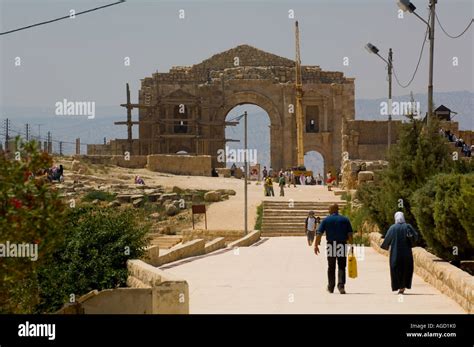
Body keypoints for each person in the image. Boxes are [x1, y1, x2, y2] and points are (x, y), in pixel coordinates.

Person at [314, 203, 353, 294]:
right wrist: (351, 246)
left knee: (331, 266)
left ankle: (331, 287)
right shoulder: (345, 220)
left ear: (331, 210)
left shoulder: (326, 220)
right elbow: (350, 234)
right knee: (342, 266)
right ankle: (341, 286)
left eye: (329, 209)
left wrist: (316, 245)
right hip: (342, 244)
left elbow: (319, 233)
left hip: (331, 245)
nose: (328, 210)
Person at [380, 211, 419, 294]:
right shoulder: (408, 226)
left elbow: (387, 239)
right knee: (406, 269)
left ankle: (399, 286)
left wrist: (385, 246)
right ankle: (403, 286)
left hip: (395, 253)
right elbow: (415, 236)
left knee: (396, 269)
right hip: (407, 253)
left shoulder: (393, 228)